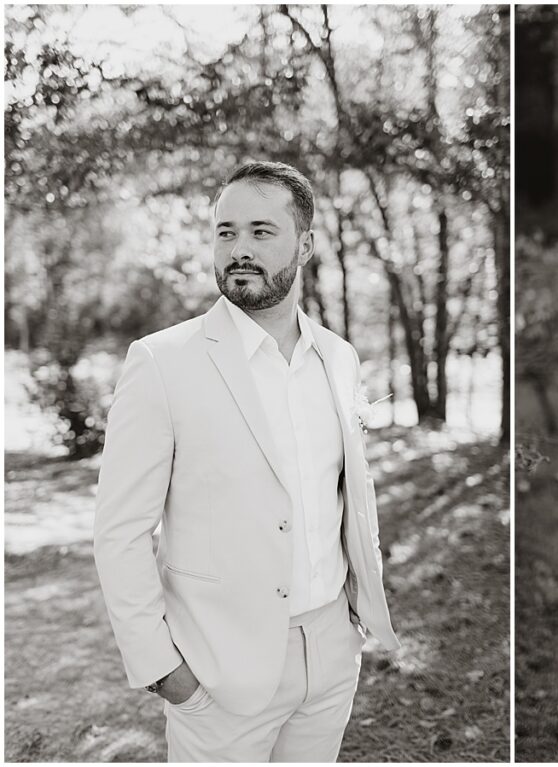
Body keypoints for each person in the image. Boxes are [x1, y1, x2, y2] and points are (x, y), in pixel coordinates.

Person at [94, 161, 399, 762]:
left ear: (304, 245)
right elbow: (120, 531)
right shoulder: (162, 362)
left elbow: (346, 499)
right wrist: (163, 669)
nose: (239, 249)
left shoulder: (338, 359)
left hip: (332, 654)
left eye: (261, 232)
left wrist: (353, 625)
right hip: (217, 669)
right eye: (226, 232)